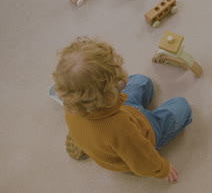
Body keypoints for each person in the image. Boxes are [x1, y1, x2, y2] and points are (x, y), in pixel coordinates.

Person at [53, 37, 192, 182]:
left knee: (141, 81)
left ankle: (85, 142)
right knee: (182, 106)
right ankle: (90, 143)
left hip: (117, 113)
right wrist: (161, 168)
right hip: (146, 131)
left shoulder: (72, 106)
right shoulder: (121, 129)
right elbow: (141, 158)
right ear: (111, 92)